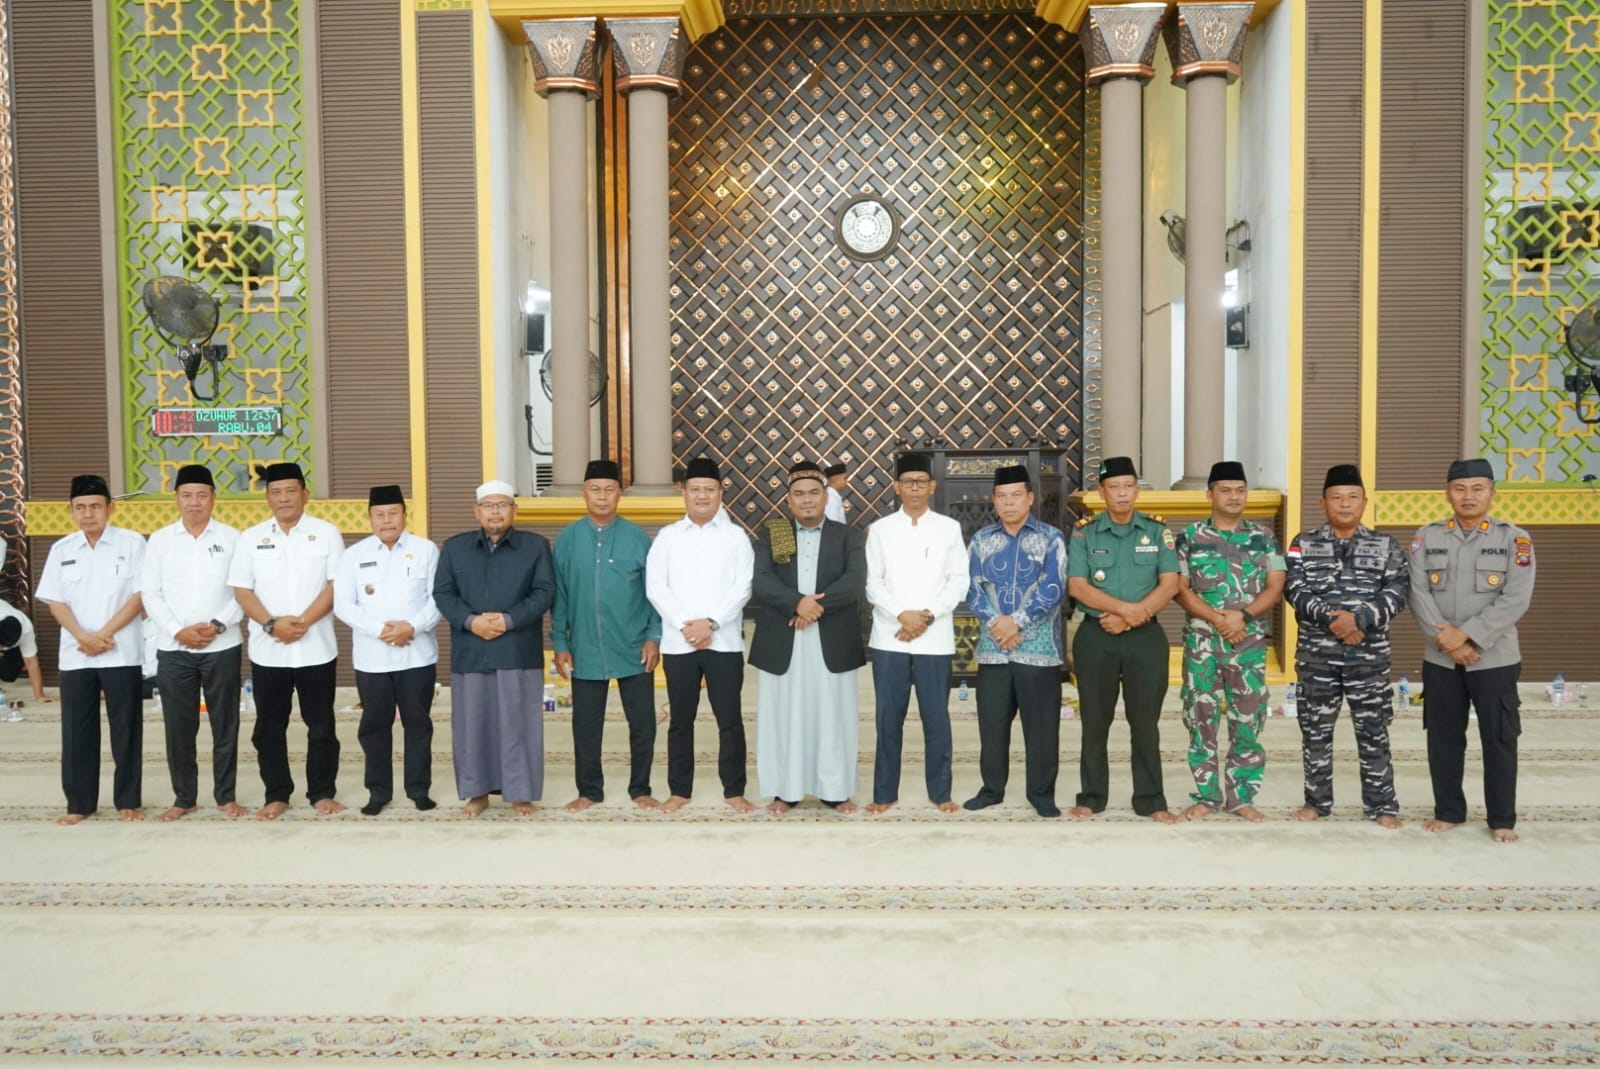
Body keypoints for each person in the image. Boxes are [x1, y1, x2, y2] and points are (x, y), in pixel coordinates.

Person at [1408, 458, 1535, 844]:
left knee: (1499, 738)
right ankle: (1449, 810)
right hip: (1440, 657)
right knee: (1443, 737)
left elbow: (1515, 598)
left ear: (1492, 493)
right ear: (1448, 493)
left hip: (1494, 657)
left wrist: (1467, 637)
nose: (1468, 496)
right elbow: (1418, 593)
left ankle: (1502, 818)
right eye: (1460, 489)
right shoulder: (1427, 537)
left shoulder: (1515, 539)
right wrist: (1448, 642)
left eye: (1477, 489)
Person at [1285, 464, 1409, 829]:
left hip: (1368, 658)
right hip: (1317, 658)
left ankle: (1382, 805)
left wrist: (1360, 620)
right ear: (1323, 503)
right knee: (1315, 733)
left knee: (1374, 733)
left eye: (1352, 497)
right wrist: (1334, 620)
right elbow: (1293, 588)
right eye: (1336, 497)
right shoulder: (1303, 543)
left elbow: (1399, 589)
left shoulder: (1386, 545)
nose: (1344, 503)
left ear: (1364, 502)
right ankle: (1316, 802)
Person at [750, 460, 868, 814]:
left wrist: (814, 607)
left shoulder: (848, 536)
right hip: (783, 639)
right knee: (783, 715)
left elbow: (854, 581)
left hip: (832, 638)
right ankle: (785, 790)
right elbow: (762, 580)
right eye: (798, 494)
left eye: (814, 493)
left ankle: (835, 790)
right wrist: (796, 603)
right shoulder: (773, 532)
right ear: (788, 500)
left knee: (833, 714)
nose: (806, 500)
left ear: (826, 497)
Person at [230, 461, 345, 819]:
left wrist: (302, 622)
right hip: (269, 651)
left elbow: (336, 585)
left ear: (304, 494)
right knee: (268, 728)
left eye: (291, 491)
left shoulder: (327, 533)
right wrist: (271, 625)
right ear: (267, 497)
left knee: (321, 726)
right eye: (276, 492)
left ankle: (322, 792)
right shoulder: (250, 538)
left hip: (316, 648)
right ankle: (277, 793)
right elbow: (242, 590)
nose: (284, 498)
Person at [1067, 456, 1179, 823]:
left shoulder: (1157, 531)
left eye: (1128, 486)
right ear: (1102, 493)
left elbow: (1170, 583)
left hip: (1145, 638)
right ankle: (1091, 796)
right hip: (1095, 636)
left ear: (1136, 490)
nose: (1122, 493)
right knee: (1094, 722)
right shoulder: (1084, 533)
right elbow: (1078, 586)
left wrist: (1133, 618)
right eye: (1114, 487)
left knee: (1145, 722)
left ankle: (1151, 799)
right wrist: (1124, 611)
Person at [434, 480, 555, 818]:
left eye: (502, 505)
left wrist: (508, 620)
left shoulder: (535, 546)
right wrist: (471, 621)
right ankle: (477, 792)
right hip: (471, 651)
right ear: (477, 512)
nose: (495, 512)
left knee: (519, 725)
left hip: (517, 650)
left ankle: (521, 793)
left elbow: (544, 591)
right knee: (473, 726)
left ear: (515, 510)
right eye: (489, 505)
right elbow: (443, 593)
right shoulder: (455, 548)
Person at [1172, 461, 1285, 823]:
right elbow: (1180, 589)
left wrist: (1243, 616)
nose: (1234, 497)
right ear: (1210, 495)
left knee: (1248, 720)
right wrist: (1218, 619)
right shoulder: (1189, 537)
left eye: (1240, 490)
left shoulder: (1263, 537)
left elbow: (1276, 585)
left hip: (1247, 645)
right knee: (1200, 719)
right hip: (1203, 644)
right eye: (1226, 490)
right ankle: (1206, 796)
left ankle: (1241, 797)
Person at [551, 460, 662, 813]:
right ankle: (589, 791)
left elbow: (654, 593)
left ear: (620, 494)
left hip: (633, 645)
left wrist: (653, 636)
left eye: (609, 490)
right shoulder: (568, 539)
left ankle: (640, 788)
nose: (602, 497)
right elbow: (560, 596)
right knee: (586, 726)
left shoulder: (637, 537)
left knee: (642, 724)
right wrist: (560, 643)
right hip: (584, 646)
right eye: (595, 490)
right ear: (584, 493)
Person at [646, 457, 755, 814]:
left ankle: (734, 790)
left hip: (724, 643)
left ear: (721, 492)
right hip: (680, 645)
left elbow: (743, 587)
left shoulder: (736, 537)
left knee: (730, 720)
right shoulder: (668, 537)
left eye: (709, 489)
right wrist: (686, 625)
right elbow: (655, 587)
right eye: (695, 489)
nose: (702, 496)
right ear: (684, 493)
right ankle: (680, 790)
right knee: (680, 721)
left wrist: (711, 623)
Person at [36, 474, 146, 824]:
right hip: (76, 654)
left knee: (126, 729)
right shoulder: (62, 549)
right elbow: (54, 601)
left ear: (110, 508)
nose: (88, 514)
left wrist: (103, 633)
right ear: (70, 511)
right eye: (80, 507)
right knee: (77, 731)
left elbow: (140, 595)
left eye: (95, 506)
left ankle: (128, 800)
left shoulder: (132, 544)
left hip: (122, 650)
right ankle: (79, 804)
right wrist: (83, 637)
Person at [863, 452, 968, 815]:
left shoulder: (949, 528)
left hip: (934, 639)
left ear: (932, 486)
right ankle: (884, 794)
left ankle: (941, 793)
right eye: (908, 482)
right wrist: (901, 615)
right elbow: (873, 584)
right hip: (889, 637)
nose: (914, 489)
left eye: (921, 482)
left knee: (936, 719)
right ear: (897, 487)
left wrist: (926, 616)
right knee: (887, 720)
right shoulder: (880, 529)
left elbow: (959, 581)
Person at [962, 465, 1070, 817]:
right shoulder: (981, 540)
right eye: (1002, 496)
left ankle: (1041, 794)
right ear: (994, 500)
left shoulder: (1051, 538)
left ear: (1030, 498)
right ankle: (992, 789)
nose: (1009, 502)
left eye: (1016, 496)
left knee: (1041, 729)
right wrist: (998, 624)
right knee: (992, 727)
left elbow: (1053, 587)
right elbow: (970, 588)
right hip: (994, 651)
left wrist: (1017, 622)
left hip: (1038, 650)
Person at [141, 464, 245, 821]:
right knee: (178, 727)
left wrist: (217, 625)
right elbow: (150, 594)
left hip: (222, 646)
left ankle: (225, 797)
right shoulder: (159, 541)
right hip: (174, 650)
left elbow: (243, 591)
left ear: (213, 498)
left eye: (202, 495)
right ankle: (184, 797)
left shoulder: (233, 538)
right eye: (187, 495)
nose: (194, 502)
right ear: (176, 499)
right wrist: (177, 630)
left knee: (225, 725)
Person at [334, 484, 441, 817]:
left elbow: (439, 598)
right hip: (373, 658)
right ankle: (378, 792)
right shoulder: (353, 555)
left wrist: (412, 627)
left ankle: (419, 790)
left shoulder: (425, 550)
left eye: (393, 513)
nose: (386, 520)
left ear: (405, 515)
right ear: (370, 518)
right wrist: (381, 630)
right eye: (379, 515)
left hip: (417, 654)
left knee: (418, 724)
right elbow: (343, 605)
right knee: (374, 727)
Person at [0, 603, 56, 706]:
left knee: (8, 674)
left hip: (13, 640)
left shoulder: (26, 630)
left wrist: (39, 696)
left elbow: (32, 664)